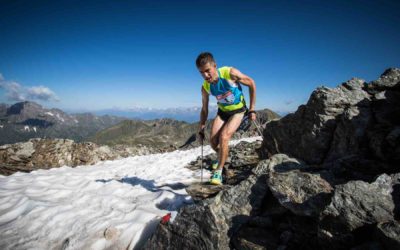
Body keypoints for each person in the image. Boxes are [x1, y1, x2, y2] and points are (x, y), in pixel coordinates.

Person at [196, 52, 256, 185]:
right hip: (222, 112)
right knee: (212, 142)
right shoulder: (205, 87)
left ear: (215, 66)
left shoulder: (229, 73)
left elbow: (251, 83)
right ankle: (222, 157)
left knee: (224, 137)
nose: (205, 75)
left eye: (207, 71)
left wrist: (252, 108)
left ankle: (219, 171)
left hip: (238, 111)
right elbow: (204, 109)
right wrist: (201, 127)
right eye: (201, 73)